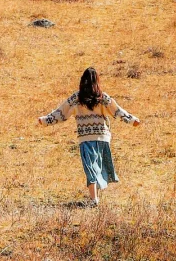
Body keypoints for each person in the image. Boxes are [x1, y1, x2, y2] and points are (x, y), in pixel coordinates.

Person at [38, 66, 140, 206]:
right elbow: (117, 111)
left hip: (86, 138)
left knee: (90, 168)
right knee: (97, 166)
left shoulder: (76, 98)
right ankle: (95, 196)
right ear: (97, 81)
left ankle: (94, 199)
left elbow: (60, 113)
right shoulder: (102, 97)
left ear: (82, 81)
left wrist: (45, 120)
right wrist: (132, 120)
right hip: (103, 138)